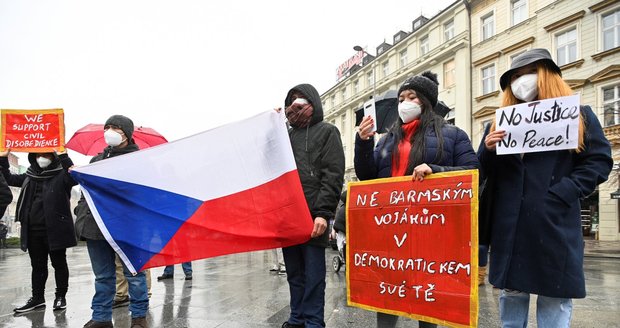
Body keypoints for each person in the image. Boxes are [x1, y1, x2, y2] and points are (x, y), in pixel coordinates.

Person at [478, 48, 613, 327]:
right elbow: (481, 173)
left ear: (547, 75)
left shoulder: (578, 115)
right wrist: (489, 150)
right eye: (515, 76)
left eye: (528, 72)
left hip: (553, 224)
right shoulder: (498, 122)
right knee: (512, 296)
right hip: (510, 226)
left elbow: (598, 162)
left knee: (554, 298)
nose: (521, 81)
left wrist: (563, 192)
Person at [355, 71, 479, 328]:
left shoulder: (453, 135)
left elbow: (474, 175)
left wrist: (437, 171)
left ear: (426, 101)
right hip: (391, 227)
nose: (405, 102)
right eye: (402, 97)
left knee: (426, 295)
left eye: (412, 96)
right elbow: (367, 176)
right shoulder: (387, 139)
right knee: (387, 292)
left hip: (429, 228)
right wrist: (364, 143)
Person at [279, 83, 345, 328]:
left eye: (300, 99)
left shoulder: (327, 131)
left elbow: (333, 174)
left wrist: (323, 213)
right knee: (295, 274)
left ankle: (314, 322)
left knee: (314, 275)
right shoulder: (284, 135)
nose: (295, 104)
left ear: (312, 102)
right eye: (291, 100)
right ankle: (297, 318)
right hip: (288, 217)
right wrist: (271, 126)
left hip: (313, 217)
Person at [75, 115, 149, 328]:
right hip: (96, 226)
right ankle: (101, 317)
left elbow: (141, 193)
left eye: (116, 128)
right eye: (107, 127)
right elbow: (85, 192)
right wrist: (81, 210)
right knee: (103, 276)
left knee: (134, 273)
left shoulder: (139, 161)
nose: (110, 131)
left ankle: (139, 317)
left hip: (128, 226)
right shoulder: (96, 161)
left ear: (126, 133)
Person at [0, 149, 77, 313]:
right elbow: (8, 178)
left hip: (55, 229)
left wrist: (64, 155)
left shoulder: (62, 175)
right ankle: (37, 298)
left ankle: (60, 297)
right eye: (38, 155)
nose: (42, 158)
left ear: (53, 157)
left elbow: (74, 176)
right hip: (33, 229)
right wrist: (3, 158)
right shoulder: (30, 175)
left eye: (46, 155)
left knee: (59, 264)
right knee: (37, 266)